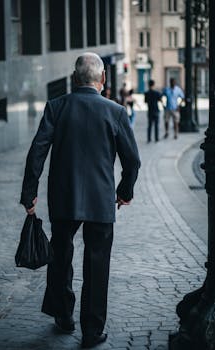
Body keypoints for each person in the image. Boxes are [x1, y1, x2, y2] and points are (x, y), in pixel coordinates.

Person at [20, 52, 141, 349]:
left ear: (74, 79)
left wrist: (29, 193)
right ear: (102, 80)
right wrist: (124, 192)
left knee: (60, 257)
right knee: (97, 264)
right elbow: (133, 161)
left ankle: (63, 316)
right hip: (100, 201)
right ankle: (92, 330)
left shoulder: (57, 107)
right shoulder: (116, 112)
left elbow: (37, 151)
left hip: (64, 198)